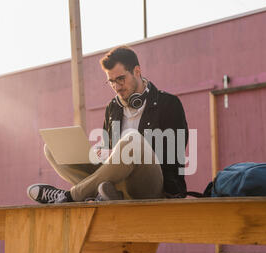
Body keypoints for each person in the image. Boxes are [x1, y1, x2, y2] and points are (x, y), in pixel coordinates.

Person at [27, 46, 189, 203]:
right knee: (54, 148)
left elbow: (172, 159)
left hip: (153, 187)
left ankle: (71, 196)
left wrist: (122, 152)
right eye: (111, 81)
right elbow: (109, 150)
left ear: (137, 71)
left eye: (120, 79)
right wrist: (101, 152)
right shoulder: (113, 108)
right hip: (114, 185)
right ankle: (101, 193)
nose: (116, 87)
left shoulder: (169, 104)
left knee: (133, 141)